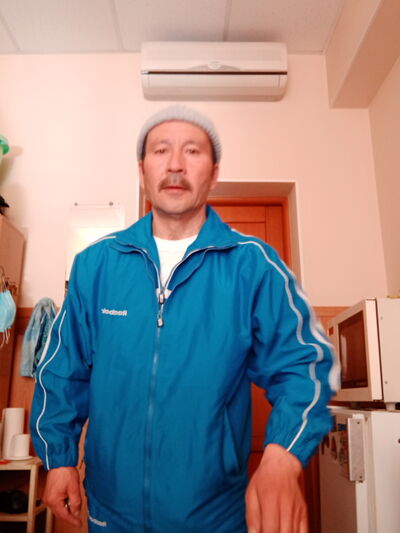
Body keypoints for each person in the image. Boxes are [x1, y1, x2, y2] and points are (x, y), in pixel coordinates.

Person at [30, 105, 337, 533]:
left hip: (214, 517)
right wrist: (59, 459)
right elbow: (63, 372)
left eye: (192, 151)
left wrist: (283, 456)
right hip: (110, 512)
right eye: (161, 150)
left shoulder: (254, 265)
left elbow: (307, 366)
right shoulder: (95, 265)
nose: (175, 164)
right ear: (142, 171)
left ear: (213, 173)